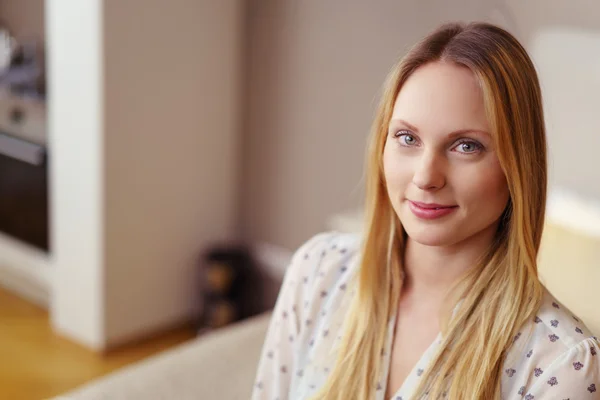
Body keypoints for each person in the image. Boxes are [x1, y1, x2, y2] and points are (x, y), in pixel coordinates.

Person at [251, 21, 600, 400]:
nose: (426, 177)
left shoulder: (561, 364)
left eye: (466, 146)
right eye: (407, 138)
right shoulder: (317, 271)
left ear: (517, 167)